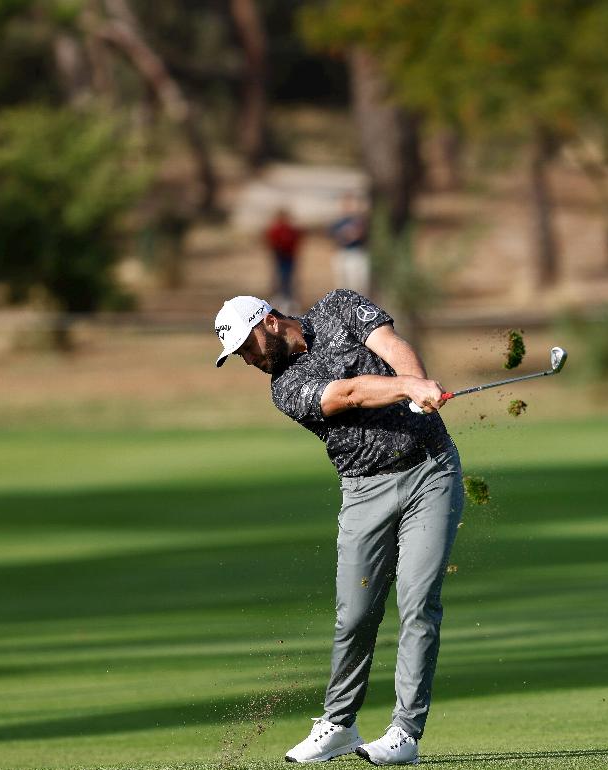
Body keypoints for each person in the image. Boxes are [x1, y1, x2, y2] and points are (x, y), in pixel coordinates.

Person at [213, 291, 463, 766]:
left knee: (418, 603)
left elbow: (390, 344)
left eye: (246, 347)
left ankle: (404, 732)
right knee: (355, 616)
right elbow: (348, 393)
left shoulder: (337, 305)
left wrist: (414, 379)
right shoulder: (285, 387)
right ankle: (340, 724)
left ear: (267, 322)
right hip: (364, 491)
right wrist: (409, 389)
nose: (247, 360)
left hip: (430, 471)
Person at [330, 193, 372, 294]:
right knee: (342, 285)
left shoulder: (360, 221)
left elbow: (365, 236)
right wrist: (344, 235)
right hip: (342, 253)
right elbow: (333, 236)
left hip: (356, 253)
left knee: (357, 285)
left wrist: (357, 234)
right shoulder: (338, 222)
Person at [264, 208, 302, 309]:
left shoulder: (291, 229)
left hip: (289, 258)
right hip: (279, 257)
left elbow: (296, 240)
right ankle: (277, 299)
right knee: (279, 278)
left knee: (289, 279)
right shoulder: (275, 229)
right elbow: (271, 242)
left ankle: (289, 300)